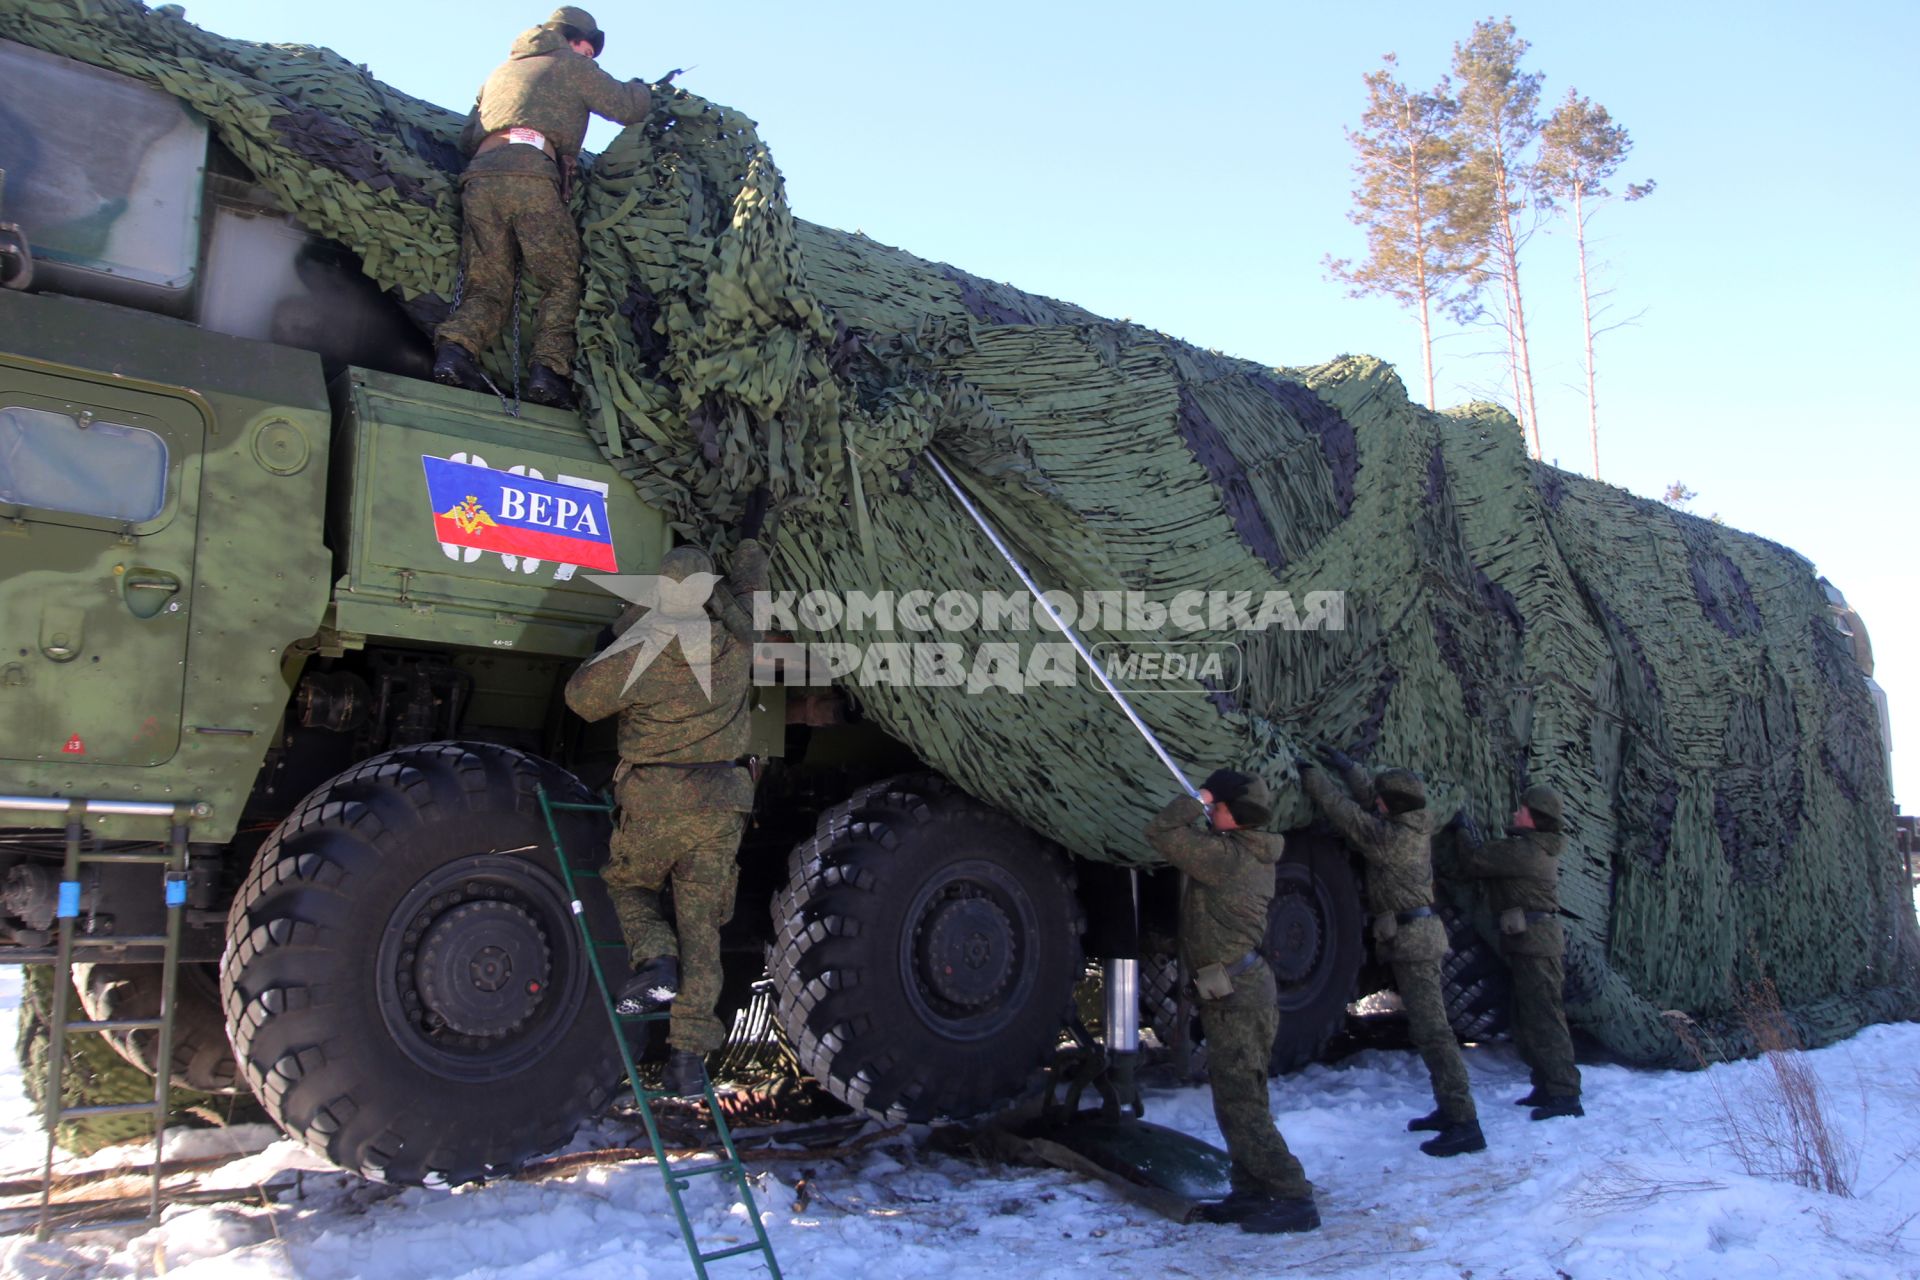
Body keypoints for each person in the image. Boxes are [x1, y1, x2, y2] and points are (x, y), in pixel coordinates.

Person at [563, 532, 768, 1097]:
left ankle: (655, 959)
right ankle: (686, 1062)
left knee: (629, 886)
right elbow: (752, 591)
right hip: (722, 802)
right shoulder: (738, 645)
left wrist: (627, 624)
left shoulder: (642, 653)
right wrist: (745, 550)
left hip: (655, 801)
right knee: (704, 928)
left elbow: (579, 699)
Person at [432, 7, 652, 409]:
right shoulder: (572, 64)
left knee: (488, 283)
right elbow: (628, 108)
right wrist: (642, 87)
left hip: (480, 178)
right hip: (532, 176)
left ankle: (455, 355)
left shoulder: (500, 72)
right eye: (589, 49)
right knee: (561, 279)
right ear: (573, 40)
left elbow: (468, 136)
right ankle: (548, 375)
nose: (591, 58)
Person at [1146, 770, 1320, 1235]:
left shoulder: (1227, 859)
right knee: (1237, 1100)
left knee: (1243, 1105)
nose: (1210, 810)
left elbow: (1162, 832)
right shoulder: (1240, 853)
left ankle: (1292, 1193)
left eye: (1217, 805)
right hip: (1234, 993)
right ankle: (1250, 1189)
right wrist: (1210, 801)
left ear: (1233, 813)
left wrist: (1194, 797)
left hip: (1239, 997)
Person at [1299, 750, 1487, 1157]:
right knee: (1427, 1031)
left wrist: (1313, 777)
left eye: (1385, 801)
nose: (1379, 804)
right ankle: (1449, 1109)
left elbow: (1346, 814)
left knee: (1434, 1033)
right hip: (1414, 937)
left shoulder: (1392, 838)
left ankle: (1464, 1121)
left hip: (1414, 942)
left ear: (1395, 806)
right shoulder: (1412, 822)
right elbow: (1374, 799)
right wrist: (1351, 770)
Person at [1452, 785, 1583, 1120]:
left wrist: (1461, 828)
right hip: (1530, 941)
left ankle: (1565, 1093)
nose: (1514, 813)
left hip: (1534, 943)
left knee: (1544, 1018)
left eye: (1521, 809)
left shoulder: (1526, 850)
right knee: (1527, 1019)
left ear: (1535, 817)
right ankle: (1546, 1085)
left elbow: (1474, 860)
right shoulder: (1535, 848)